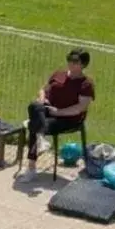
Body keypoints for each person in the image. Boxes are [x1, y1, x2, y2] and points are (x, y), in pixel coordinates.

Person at [22, 49, 95, 181]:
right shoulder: (58, 74)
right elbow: (43, 89)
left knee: (35, 125)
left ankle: (31, 167)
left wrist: (58, 112)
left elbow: (80, 108)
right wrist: (42, 99)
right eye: (69, 60)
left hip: (68, 118)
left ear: (83, 64)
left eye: (75, 61)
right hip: (47, 110)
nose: (71, 63)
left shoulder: (86, 84)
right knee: (34, 105)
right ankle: (41, 138)